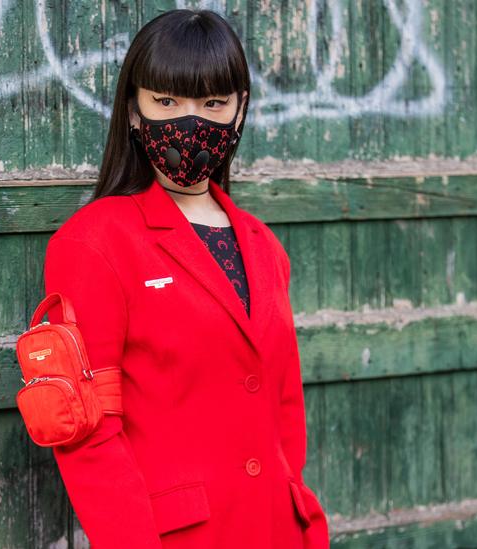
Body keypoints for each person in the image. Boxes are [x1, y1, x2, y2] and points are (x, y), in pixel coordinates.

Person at [40, 8, 329, 549]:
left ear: (240, 111)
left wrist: (303, 523)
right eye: (167, 102)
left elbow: (284, 409)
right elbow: (89, 432)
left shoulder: (265, 247)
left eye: (213, 103)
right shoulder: (94, 242)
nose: (190, 121)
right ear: (133, 110)